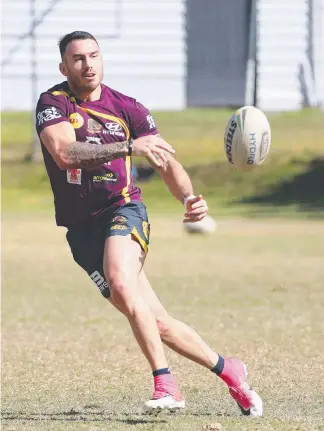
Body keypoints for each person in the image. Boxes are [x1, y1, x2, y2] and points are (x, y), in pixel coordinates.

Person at [35, 31, 263, 417]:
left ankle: (166, 384)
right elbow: (63, 152)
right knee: (157, 322)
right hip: (82, 230)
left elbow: (166, 161)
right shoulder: (53, 103)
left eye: (94, 56)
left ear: (102, 60)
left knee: (123, 284)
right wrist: (127, 147)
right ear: (64, 67)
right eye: (78, 59)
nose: (88, 65)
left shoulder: (128, 108)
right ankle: (231, 372)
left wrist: (189, 198)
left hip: (123, 210)